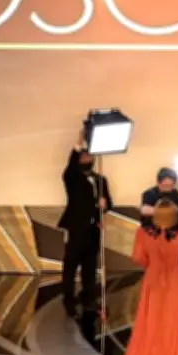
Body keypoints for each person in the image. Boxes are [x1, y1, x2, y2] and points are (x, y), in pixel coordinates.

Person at [110, 199, 178, 355]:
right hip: (175, 283)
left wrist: (153, 263)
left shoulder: (143, 234)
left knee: (150, 323)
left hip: (153, 280)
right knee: (173, 325)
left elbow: (138, 258)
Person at [58, 129, 113, 318]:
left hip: (93, 229)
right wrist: (79, 143)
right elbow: (71, 164)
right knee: (71, 265)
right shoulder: (72, 177)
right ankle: (68, 300)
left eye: (89, 155)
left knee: (90, 266)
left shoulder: (100, 179)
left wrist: (104, 206)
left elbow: (109, 203)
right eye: (83, 156)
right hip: (76, 228)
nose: (86, 158)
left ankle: (88, 297)